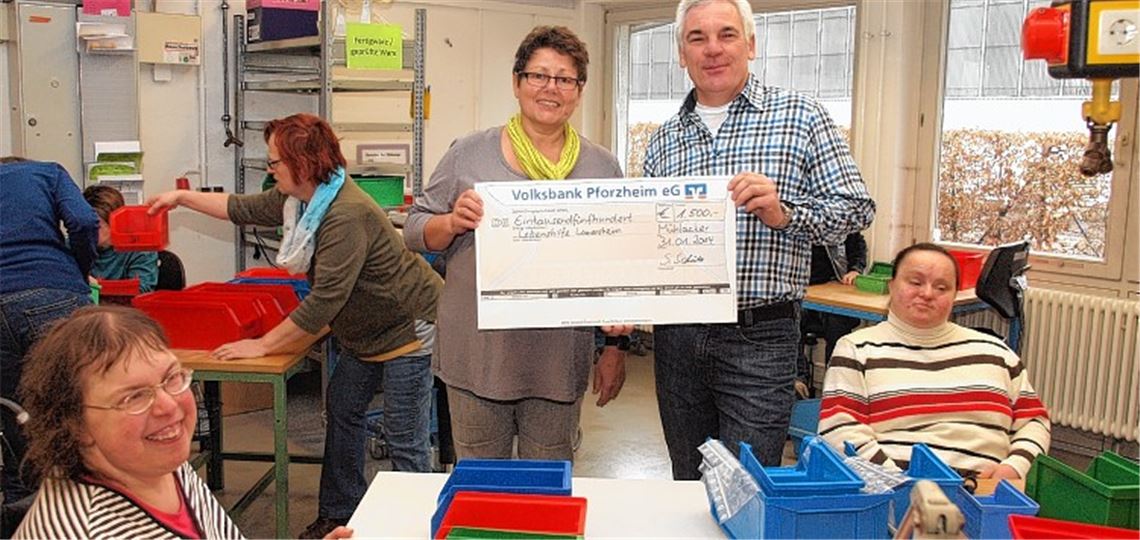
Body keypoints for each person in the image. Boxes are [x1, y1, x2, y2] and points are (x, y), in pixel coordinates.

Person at [147, 113, 441, 539]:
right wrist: (181, 199)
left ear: (303, 163)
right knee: (342, 412)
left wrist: (263, 344)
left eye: (274, 163)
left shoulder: (345, 214)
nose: (270, 170)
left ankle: (416, 527)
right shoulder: (301, 201)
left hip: (407, 327)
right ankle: (340, 516)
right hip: (363, 332)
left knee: (404, 438)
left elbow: (324, 302)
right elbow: (239, 208)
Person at [642, 0, 876, 479]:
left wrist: (783, 213)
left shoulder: (802, 118)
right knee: (687, 478)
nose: (713, 50)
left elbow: (857, 208)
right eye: (697, 38)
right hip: (678, 337)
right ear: (681, 54)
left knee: (748, 483)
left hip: (760, 334)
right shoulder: (664, 140)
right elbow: (646, 243)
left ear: (750, 44)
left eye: (726, 35)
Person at [404, 26, 630, 462]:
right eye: (538, 75)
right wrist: (451, 222)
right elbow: (415, 229)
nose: (551, 88)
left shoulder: (602, 165)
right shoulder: (468, 153)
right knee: (480, 488)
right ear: (516, 82)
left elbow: (615, 268)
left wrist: (615, 349)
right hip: (479, 357)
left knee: (545, 491)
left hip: (558, 359)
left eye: (565, 79)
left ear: (579, 91)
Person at [12, 305, 352, 539]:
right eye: (133, 397)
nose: (168, 406)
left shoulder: (158, 464)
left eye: (172, 377)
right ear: (73, 424)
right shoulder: (90, 528)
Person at [818, 243, 1051, 479]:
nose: (927, 293)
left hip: (986, 493)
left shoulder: (996, 352)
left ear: (954, 295)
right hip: (896, 493)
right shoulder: (857, 350)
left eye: (942, 287)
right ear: (891, 285)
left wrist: (1013, 468)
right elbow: (839, 430)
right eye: (915, 282)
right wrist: (901, 484)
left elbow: (1034, 421)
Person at [0, 157, 99, 535]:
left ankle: (23, 526)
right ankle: (86, 518)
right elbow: (85, 221)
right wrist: (78, 266)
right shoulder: (46, 171)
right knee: (79, 410)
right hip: (51, 296)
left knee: (14, 422)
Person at [798, 232, 867, 395]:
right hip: (800, 290)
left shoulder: (836, 218)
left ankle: (834, 384)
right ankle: (797, 381)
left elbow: (857, 243)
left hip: (832, 285)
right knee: (790, 321)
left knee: (837, 322)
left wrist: (855, 269)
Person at [84, 185, 159, 293]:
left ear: (115, 222)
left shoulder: (140, 247)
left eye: (97, 224)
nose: (90, 230)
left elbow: (141, 291)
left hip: (126, 309)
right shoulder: (72, 245)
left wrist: (97, 286)